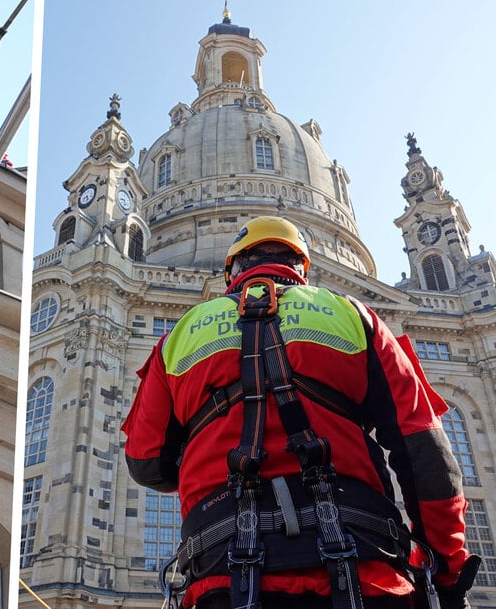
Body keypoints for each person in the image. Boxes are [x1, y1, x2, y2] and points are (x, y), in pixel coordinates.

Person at [121, 216, 480, 609]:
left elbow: (146, 463)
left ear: (234, 271)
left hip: (224, 577)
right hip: (363, 572)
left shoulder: (178, 337)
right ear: (302, 269)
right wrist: (446, 573)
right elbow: (428, 458)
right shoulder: (355, 317)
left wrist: (204, 452)